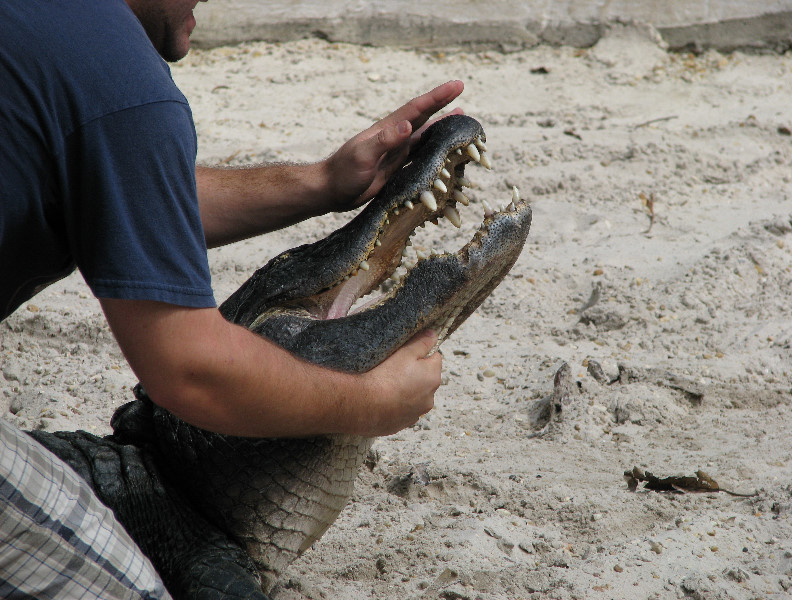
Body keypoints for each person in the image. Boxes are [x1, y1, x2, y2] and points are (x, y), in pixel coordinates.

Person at [0, 0, 462, 596]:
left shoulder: (49, 25)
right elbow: (192, 373)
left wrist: (322, 182)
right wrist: (373, 403)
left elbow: (123, 186)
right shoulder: (119, 70)